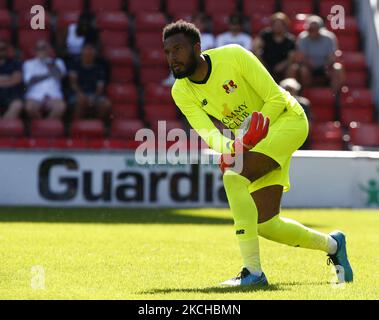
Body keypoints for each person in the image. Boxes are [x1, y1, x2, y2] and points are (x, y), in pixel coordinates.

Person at [163, 20, 353, 287]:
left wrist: (249, 136)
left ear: (196, 48)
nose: (172, 58)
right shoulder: (180, 90)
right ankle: (334, 245)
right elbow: (208, 133)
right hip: (255, 142)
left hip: (288, 121)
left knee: (233, 177)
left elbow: (276, 98)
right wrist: (234, 147)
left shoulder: (234, 56)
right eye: (168, 52)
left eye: (178, 50)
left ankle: (253, 272)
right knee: (265, 223)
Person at [288, 15, 345, 93]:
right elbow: (301, 56)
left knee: (337, 68)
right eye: (310, 29)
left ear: (320, 29)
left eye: (314, 29)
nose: (312, 31)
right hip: (309, 67)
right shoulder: (303, 38)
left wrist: (327, 65)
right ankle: (306, 93)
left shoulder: (329, 38)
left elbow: (332, 56)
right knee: (302, 70)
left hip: (326, 67)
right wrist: (310, 65)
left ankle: (335, 96)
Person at [163, 14, 215, 87]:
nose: (194, 24)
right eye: (192, 21)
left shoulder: (208, 37)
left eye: (197, 22)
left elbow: (209, 53)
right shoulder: (182, 39)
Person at [23, 40, 66, 119]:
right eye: (39, 48)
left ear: (49, 49)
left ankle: (45, 127)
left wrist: (47, 62)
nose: (42, 51)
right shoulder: (28, 63)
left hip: (54, 95)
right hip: (35, 95)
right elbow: (29, 81)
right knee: (29, 108)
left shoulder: (58, 62)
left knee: (60, 108)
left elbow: (59, 76)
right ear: (35, 51)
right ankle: (42, 126)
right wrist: (49, 75)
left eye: (44, 48)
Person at [69, 43, 111, 120]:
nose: (88, 54)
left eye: (91, 52)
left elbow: (100, 87)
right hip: (77, 94)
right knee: (81, 100)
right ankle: (78, 125)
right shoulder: (75, 65)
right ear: (82, 53)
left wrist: (94, 96)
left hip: (94, 94)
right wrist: (81, 94)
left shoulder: (99, 68)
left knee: (106, 104)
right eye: (87, 52)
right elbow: (73, 83)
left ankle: (97, 125)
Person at [254, 12, 296, 81]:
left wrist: (282, 65)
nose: (277, 26)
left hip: (282, 69)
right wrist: (261, 62)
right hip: (265, 65)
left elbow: (291, 58)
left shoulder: (290, 40)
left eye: (280, 24)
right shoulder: (265, 35)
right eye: (275, 24)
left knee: (293, 68)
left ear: (285, 26)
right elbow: (256, 46)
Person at [279, 78, 311, 149]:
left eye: (291, 89)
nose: (289, 92)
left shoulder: (304, 104)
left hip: (298, 134)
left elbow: (308, 123)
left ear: (296, 91)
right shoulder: (277, 103)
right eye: (286, 89)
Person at [0, 40, 23, 119]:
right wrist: (8, 78)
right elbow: (12, 79)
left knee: (17, 105)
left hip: (11, 94)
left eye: (2, 49)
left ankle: (3, 126)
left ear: (6, 50)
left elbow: (16, 80)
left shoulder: (15, 63)